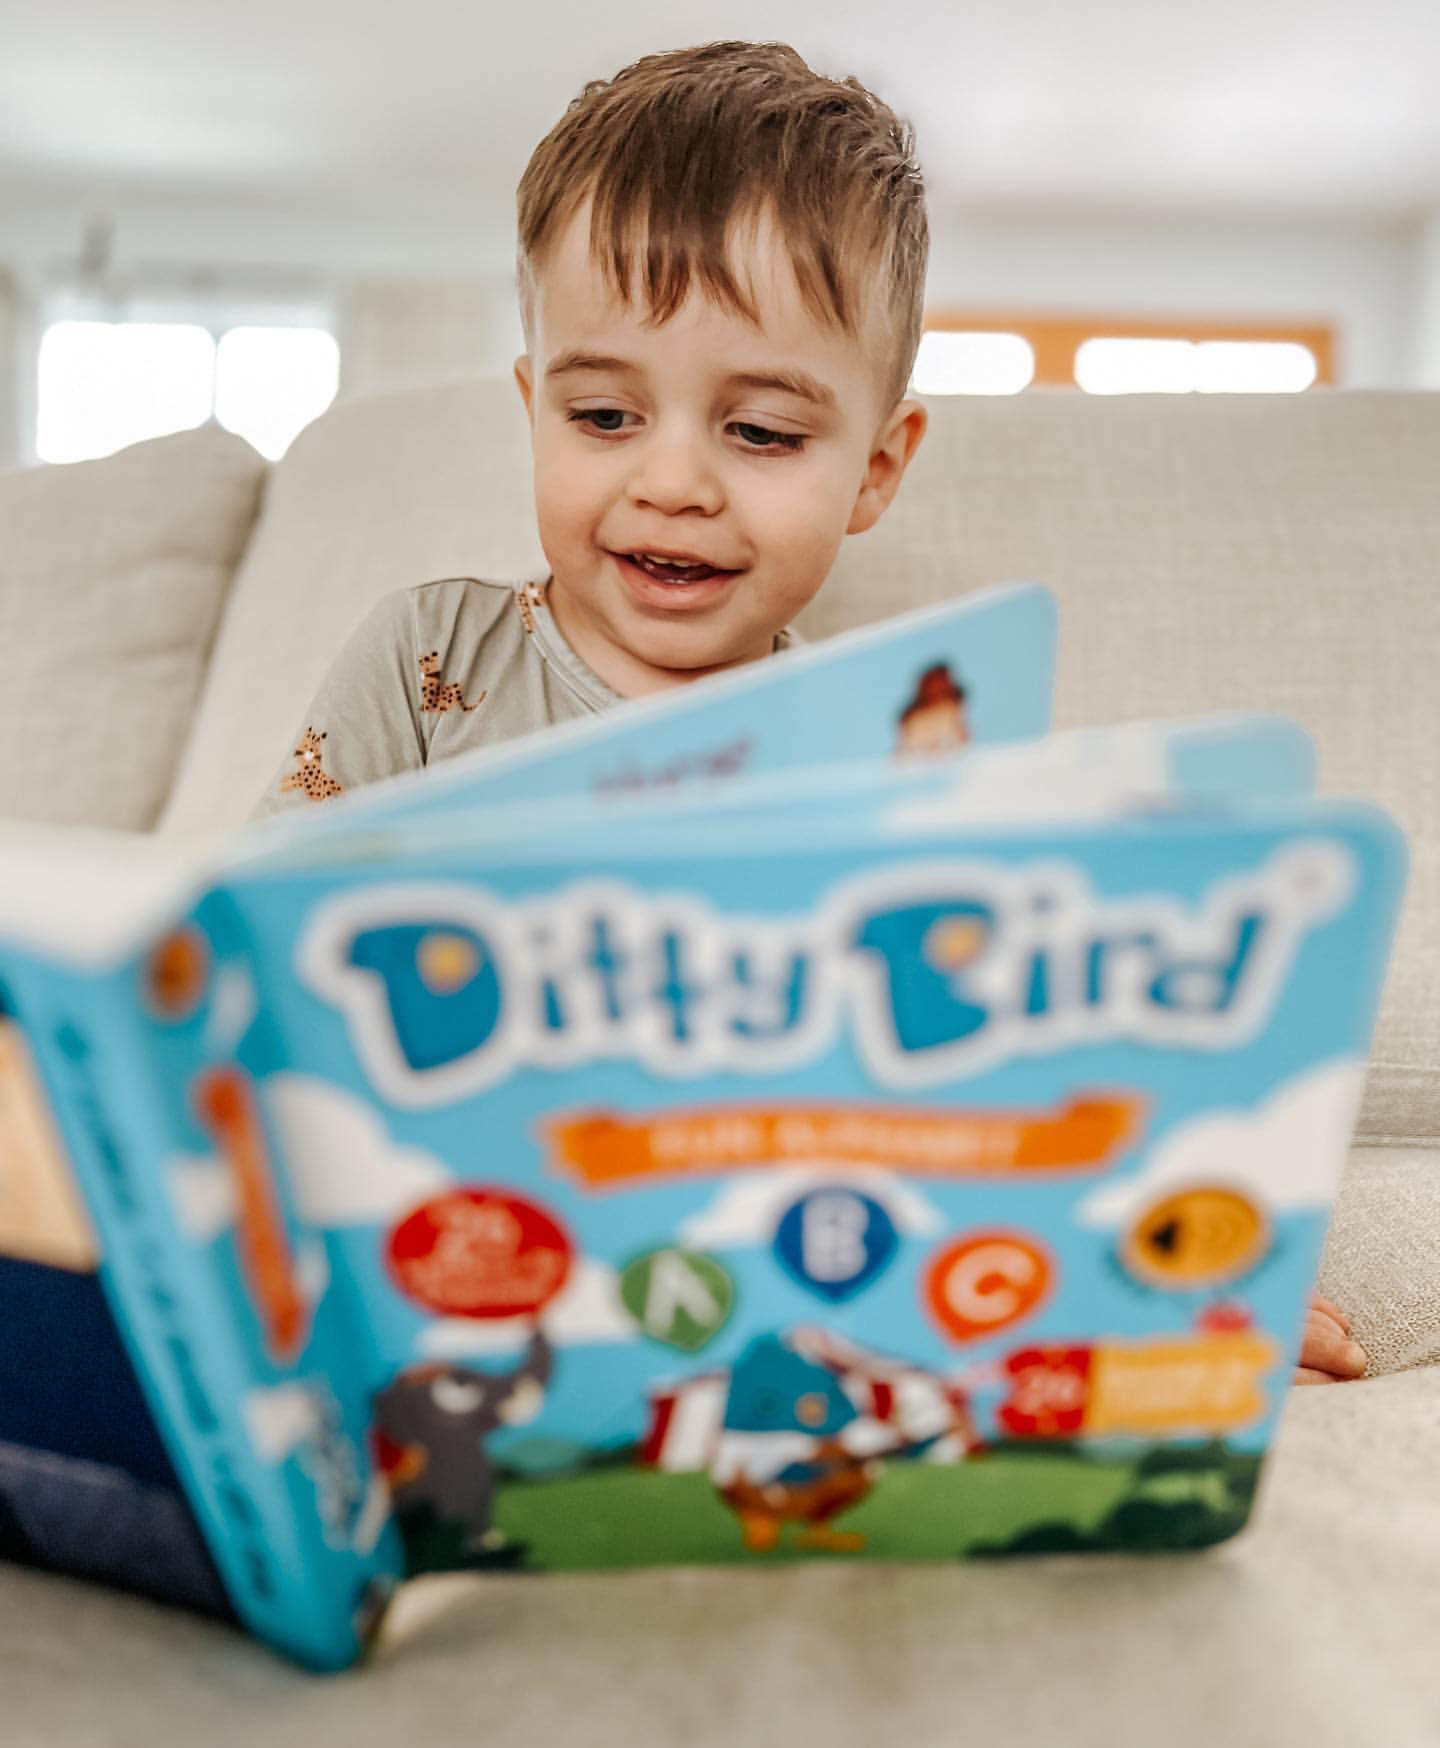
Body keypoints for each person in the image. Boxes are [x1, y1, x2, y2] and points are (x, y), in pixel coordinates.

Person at [249, 39, 1364, 1388]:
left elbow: (1002, 1094)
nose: (671, 482)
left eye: (762, 433)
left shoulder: (894, 744)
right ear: (532, 404)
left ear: (877, 470)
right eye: (603, 413)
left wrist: (1186, 1262)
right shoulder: (431, 654)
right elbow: (248, 937)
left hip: (753, 1269)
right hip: (430, 1241)